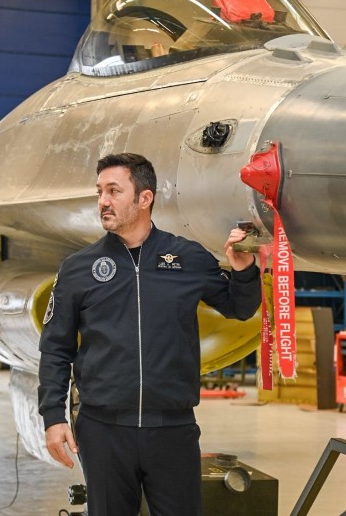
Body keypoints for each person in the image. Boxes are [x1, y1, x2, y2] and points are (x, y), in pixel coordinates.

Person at [37, 152, 261, 515]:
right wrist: (53, 416)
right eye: (99, 192)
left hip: (172, 430)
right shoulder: (78, 269)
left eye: (114, 191)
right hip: (103, 430)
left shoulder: (188, 258)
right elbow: (55, 349)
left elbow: (240, 308)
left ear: (145, 198)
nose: (103, 201)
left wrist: (244, 270)